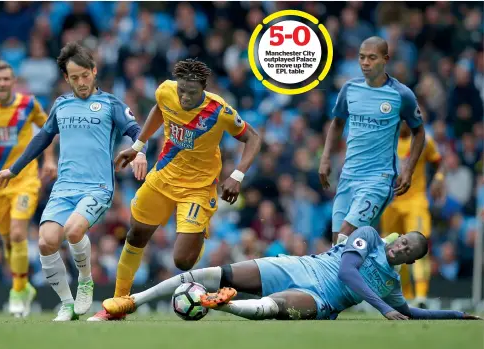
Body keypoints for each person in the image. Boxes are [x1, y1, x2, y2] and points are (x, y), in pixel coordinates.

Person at [88, 58, 262, 321]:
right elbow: (160, 109)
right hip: (163, 178)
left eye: (191, 92)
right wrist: (138, 146)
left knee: (182, 261)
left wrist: (237, 175)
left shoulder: (219, 110)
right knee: (136, 235)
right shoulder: (166, 91)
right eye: (181, 90)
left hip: (198, 188)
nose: (184, 97)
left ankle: (200, 227)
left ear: (204, 88)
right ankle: (118, 303)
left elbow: (253, 138)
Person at [0, 42, 148, 321]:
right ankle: (66, 303)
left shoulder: (110, 104)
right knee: (45, 242)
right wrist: (13, 170)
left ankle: (85, 280)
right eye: (74, 77)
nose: (81, 82)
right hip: (64, 188)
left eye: (85, 75)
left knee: (74, 231)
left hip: (97, 187)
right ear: (66, 78)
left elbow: (136, 129)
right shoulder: (61, 104)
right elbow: (42, 138)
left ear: (94, 71)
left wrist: (139, 152)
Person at [101, 227, 481, 321]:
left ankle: (215, 304)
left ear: (411, 261)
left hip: (320, 300)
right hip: (298, 266)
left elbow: (411, 313)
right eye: (402, 243)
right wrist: (382, 308)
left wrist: (458, 315)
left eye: (407, 252)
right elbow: (349, 272)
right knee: (213, 270)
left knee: (269, 309)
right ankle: (130, 301)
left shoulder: (392, 285)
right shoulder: (367, 236)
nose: (400, 249)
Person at [319, 36, 426, 245]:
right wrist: (325, 158)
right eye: (361, 58)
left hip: (378, 179)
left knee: (344, 238)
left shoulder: (401, 94)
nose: (365, 63)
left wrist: (408, 169)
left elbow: (419, 132)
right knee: (336, 246)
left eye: (371, 58)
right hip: (348, 175)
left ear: (385, 59)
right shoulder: (349, 89)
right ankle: (380, 261)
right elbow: (337, 124)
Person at [0, 60, 58, 317]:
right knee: (8, 239)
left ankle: (18, 290)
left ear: (13, 80)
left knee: (19, 234)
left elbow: (48, 128)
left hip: (25, 180)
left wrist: (50, 159)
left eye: (6, 79)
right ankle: (23, 286)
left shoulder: (28, 104)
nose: (1, 83)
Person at [381, 121, 444, 306]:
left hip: (416, 201)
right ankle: (406, 296)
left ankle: (421, 296)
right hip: (391, 203)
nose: (404, 123)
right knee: (394, 251)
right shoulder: (386, 140)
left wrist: (438, 179)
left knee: (418, 244)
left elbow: (439, 163)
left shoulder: (424, 141)